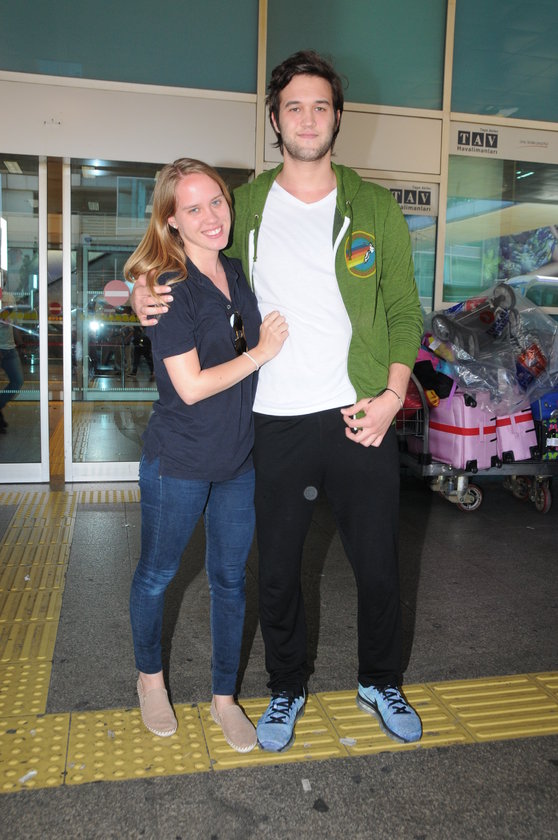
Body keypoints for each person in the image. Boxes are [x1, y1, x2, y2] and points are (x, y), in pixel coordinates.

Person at [131, 50, 424, 752]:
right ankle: (286, 685)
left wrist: (393, 394)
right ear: (275, 120)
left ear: (338, 118)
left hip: (359, 411)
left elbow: (405, 312)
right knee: (279, 571)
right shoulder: (248, 204)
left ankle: (380, 681)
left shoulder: (374, 206)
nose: (308, 119)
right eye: (294, 106)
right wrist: (139, 290)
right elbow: (184, 246)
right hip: (274, 419)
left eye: (321, 106)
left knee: (379, 566)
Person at [124, 158, 288, 752]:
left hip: (237, 462)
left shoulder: (236, 271)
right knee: (157, 575)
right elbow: (190, 387)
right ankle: (150, 681)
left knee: (229, 581)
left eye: (216, 200)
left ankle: (224, 699)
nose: (211, 216)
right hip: (180, 462)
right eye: (192, 208)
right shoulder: (168, 286)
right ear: (172, 219)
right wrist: (260, 353)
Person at [0, 291, 24, 432]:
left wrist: (20, 344)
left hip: (9, 349)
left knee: (17, 381)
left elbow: (14, 324)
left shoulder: (9, 297)